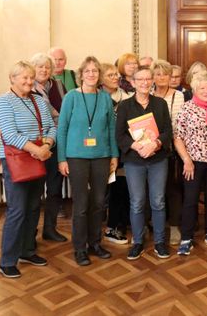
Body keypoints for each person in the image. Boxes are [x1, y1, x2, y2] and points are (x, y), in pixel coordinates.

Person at [0, 61, 57, 278]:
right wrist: (36, 150)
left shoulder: (39, 101)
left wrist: (47, 145)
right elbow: (9, 134)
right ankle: (7, 261)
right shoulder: (4, 101)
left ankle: (27, 250)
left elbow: (51, 126)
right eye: (24, 78)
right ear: (12, 79)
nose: (30, 81)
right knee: (17, 210)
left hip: (38, 157)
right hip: (16, 160)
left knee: (33, 207)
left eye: (31, 77)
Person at [57, 56, 119, 266]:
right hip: (76, 158)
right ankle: (80, 247)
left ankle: (95, 243)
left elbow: (111, 129)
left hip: (102, 157)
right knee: (81, 204)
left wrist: (114, 155)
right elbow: (62, 129)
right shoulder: (71, 98)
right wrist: (61, 158)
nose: (91, 74)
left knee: (99, 202)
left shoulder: (104, 99)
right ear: (80, 75)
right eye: (88, 71)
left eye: (95, 71)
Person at [116, 66, 173, 260]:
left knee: (158, 201)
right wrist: (136, 146)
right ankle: (138, 242)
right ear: (132, 83)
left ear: (152, 81)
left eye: (148, 79)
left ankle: (159, 242)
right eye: (140, 79)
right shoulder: (124, 106)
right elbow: (119, 135)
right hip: (134, 160)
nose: (144, 83)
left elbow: (167, 131)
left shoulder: (160, 104)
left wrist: (155, 144)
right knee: (137, 202)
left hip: (157, 159)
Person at [174, 71, 207, 255]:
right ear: (194, 89)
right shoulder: (187, 108)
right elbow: (178, 137)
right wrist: (186, 160)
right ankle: (187, 237)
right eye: (202, 88)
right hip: (193, 161)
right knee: (190, 199)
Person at [30, 52, 67, 242]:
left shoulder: (58, 85)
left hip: (57, 143)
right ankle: (30, 233)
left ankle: (50, 229)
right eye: (40, 67)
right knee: (35, 192)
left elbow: (66, 109)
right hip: (35, 147)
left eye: (47, 67)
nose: (44, 70)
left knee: (54, 189)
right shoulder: (27, 88)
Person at [152, 60, 185, 245]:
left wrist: (163, 138)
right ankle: (154, 225)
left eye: (164, 74)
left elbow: (178, 124)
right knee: (154, 190)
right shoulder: (148, 94)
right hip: (150, 147)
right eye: (157, 74)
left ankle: (174, 227)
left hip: (172, 147)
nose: (161, 78)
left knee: (173, 189)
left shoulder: (178, 96)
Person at [100, 63, 133, 244]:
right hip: (105, 150)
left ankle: (123, 224)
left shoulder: (127, 97)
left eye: (116, 75)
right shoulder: (97, 98)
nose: (115, 78)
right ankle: (111, 226)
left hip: (125, 149)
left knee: (123, 188)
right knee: (110, 191)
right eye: (110, 75)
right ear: (101, 79)